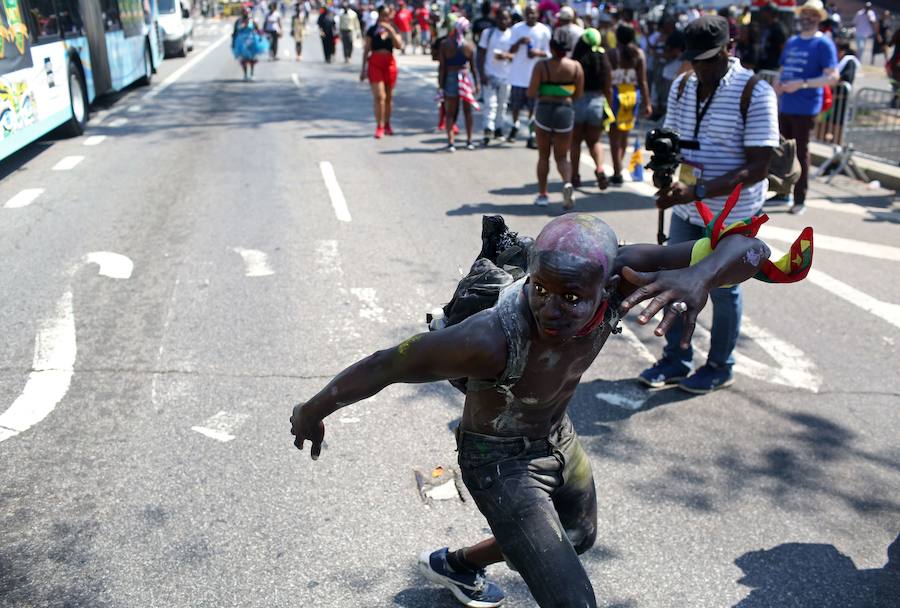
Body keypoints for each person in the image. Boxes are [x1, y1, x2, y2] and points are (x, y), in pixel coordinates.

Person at [290, 213, 776, 608]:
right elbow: (387, 365)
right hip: (498, 463)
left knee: (579, 535)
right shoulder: (488, 339)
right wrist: (312, 410)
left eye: (570, 298)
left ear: (607, 285)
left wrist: (699, 276)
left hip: (557, 437)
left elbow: (748, 249)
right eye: (540, 289)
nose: (551, 308)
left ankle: (457, 563)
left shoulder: (621, 276)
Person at [639, 15, 779, 394]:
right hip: (688, 206)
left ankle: (719, 365)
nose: (700, 67)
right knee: (675, 280)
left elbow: (757, 167)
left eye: (709, 59)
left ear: (729, 49)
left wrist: (699, 191)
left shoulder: (756, 91)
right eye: (695, 59)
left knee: (723, 289)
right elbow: (676, 144)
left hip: (732, 213)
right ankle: (675, 359)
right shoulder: (683, 85)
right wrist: (668, 180)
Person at [774, 0, 838, 215]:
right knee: (783, 151)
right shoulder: (792, 41)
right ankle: (783, 192)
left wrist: (801, 84)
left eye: (812, 15)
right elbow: (782, 69)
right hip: (786, 104)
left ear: (819, 18)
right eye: (805, 14)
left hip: (806, 106)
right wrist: (778, 84)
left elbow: (832, 77)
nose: (807, 18)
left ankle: (800, 198)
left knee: (801, 152)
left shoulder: (824, 44)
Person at [528, 27, 584, 209]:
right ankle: (567, 183)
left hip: (544, 111)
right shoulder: (575, 67)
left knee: (543, 156)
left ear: (551, 48)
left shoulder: (541, 66)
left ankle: (543, 195)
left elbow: (531, 91)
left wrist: (545, 92)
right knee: (562, 156)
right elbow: (578, 94)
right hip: (565, 111)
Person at [607, 23, 651, 186]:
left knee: (614, 135)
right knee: (625, 133)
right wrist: (647, 102)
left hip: (615, 94)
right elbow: (643, 81)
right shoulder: (638, 54)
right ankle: (619, 165)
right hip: (633, 95)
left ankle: (617, 170)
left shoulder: (612, 54)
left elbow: (607, 78)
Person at [570, 28, 613, 190]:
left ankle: (575, 176)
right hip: (597, 102)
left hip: (578, 102)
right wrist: (608, 106)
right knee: (595, 141)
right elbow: (608, 88)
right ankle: (600, 169)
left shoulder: (577, 60)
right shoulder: (603, 59)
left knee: (575, 141)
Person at [507, 3, 551, 148]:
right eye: (528, 13)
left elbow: (549, 53)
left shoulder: (544, 30)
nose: (531, 16)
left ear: (538, 14)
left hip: (535, 77)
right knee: (516, 106)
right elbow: (510, 50)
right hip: (518, 76)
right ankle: (515, 125)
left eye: (533, 13)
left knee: (533, 108)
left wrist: (537, 53)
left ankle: (531, 134)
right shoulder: (516, 29)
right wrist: (520, 42)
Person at [439, 17, 480, 151]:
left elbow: (442, 68)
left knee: (450, 112)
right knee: (468, 112)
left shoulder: (445, 44)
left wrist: (441, 85)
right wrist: (477, 84)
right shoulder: (469, 45)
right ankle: (469, 141)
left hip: (451, 77)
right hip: (465, 78)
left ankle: (451, 142)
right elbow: (474, 68)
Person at [362, 5, 402, 138]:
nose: (385, 17)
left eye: (387, 15)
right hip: (375, 63)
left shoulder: (393, 29)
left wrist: (390, 31)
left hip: (389, 63)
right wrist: (363, 69)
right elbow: (367, 48)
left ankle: (387, 123)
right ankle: (379, 125)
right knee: (380, 96)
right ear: (379, 15)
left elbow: (399, 46)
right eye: (383, 14)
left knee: (389, 97)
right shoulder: (372, 30)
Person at [478, 9, 514, 146]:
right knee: (490, 104)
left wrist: (507, 56)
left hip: (506, 76)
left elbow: (516, 55)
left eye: (506, 18)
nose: (503, 21)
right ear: (496, 19)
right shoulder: (488, 33)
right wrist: (481, 74)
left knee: (502, 105)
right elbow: (480, 54)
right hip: (490, 74)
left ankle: (499, 128)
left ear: (509, 20)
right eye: (500, 18)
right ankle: (488, 129)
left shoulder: (513, 35)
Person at [232, 6, 268, 81]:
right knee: (243, 59)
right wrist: (233, 42)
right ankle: (245, 74)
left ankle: (252, 74)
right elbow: (235, 32)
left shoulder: (253, 21)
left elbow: (258, 30)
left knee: (252, 59)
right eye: (244, 13)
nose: (246, 15)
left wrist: (260, 38)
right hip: (241, 42)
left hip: (252, 41)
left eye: (247, 13)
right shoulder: (238, 21)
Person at [757, 2, 787, 72]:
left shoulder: (779, 28)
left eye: (764, 12)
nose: (762, 14)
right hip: (762, 66)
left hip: (772, 68)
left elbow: (783, 49)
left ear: (770, 13)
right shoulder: (767, 26)